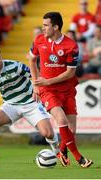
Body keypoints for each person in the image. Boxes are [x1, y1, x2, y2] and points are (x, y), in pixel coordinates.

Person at [0, 44, 59, 165]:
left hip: (31, 103)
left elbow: (35, 74)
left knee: (48, 133)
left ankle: (58, 152)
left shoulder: (14, 66)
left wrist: (37, 88)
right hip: (11, 105)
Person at [28, 11, 93, 168]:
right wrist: (36, 84)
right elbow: (31, 59)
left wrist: (48, 80)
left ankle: (63, 151)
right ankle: (80, 159)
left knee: (72, 130)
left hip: (67, 89)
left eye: (46, 25)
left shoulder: (71, 46)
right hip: (48, 91)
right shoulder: (39, 40)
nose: (42, 28)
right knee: (61, 120)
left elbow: (70, 72)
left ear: (56, 27)